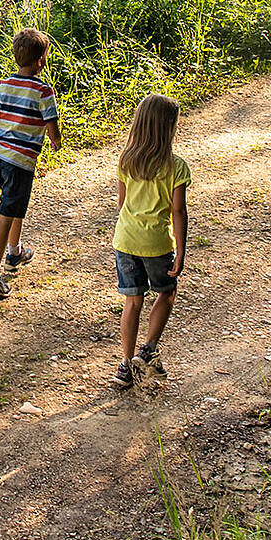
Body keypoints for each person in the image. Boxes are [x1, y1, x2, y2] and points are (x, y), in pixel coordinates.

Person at [0, 28, 63, 298]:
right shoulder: (43, 90)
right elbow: (52, 125)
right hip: (20, 162)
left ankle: (14, 253)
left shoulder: (4, 85)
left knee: (14, 203)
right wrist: (56, 141)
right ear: (41, 61)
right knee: (6, 214)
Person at [109, 94, 190, 389]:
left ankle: (125, 365)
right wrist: (180, 251)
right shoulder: (176, 167)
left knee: (133, 301)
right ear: (169, 128)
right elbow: (178, 211)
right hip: (156, 243)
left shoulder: (126, 160)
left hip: (126, 240)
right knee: (166, 293)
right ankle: (149, 348)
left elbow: (121, 203)